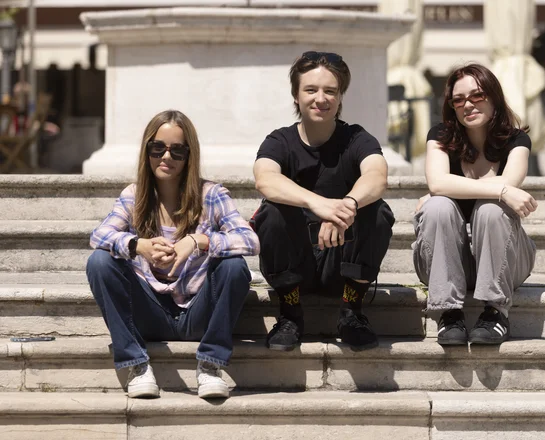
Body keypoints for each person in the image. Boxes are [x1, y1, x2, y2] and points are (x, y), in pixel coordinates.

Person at [86, 110, 259, 399]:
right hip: (149, 312)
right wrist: (137, 245)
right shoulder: (134, 195)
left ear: (189, 155)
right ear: (147, 151)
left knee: (234, 266)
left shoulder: (211, 195)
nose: (166, 157)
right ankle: (137, 366)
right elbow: (99, 236)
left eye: (177, 150)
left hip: (198, 312)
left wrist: (198, 240)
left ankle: (210, 365)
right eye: (158, 148)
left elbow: (250, 240)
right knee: (100, 261)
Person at [252, 51, 395, 352]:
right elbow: (265, 179)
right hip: (295, 263)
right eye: (311, 90)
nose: (321, 98)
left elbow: (377, 176)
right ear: (296, 95)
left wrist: (347, 206)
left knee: (377, 211)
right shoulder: (279, 141)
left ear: (340, 96)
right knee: (272, 211)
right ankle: (290, 314)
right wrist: (319, 204)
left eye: (330, 91)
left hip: (341, 264)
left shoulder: (357, 138)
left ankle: (351, 312)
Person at [413, 63, 537, 346]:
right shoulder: (440, 137)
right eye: (458, 100)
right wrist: (503, 190)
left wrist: (446, 187)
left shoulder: (517, 140)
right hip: (445, 263)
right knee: (437, 207)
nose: (467, 104)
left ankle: (495, 312)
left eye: (477, 95)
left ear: (493, 96)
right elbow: (437, 184)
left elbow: (508, 181)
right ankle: (449, 312)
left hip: (505, 261)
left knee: (491, 208)